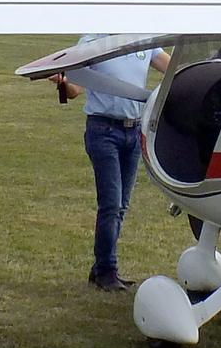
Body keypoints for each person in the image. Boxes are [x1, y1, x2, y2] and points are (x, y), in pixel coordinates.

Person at [49, 41, 170, 291]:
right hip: (103, 131)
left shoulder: (143, 39)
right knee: (111, 204)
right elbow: (75, 90)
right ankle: (107, 270)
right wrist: (62, 80)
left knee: (121, 206)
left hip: (134, 130)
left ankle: (101, 267)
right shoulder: (93, 41)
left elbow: (173, 69)